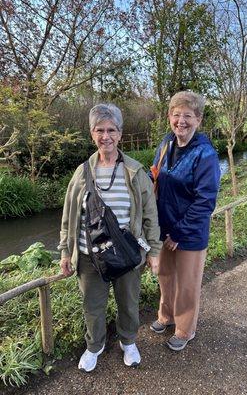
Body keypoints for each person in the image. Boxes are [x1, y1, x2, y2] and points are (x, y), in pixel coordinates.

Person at [58, 103, 161, 372]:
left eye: (111, 130)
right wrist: (65, 251)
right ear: (92, 134)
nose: (106, 136)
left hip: (127, 254)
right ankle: (95, 346)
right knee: (92, 306)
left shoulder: (135, 172)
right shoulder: (82, 173)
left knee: (129, 303)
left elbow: (151, 215)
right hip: (89, 257)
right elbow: (69, 216)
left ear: (120, 133)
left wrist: (154, 252)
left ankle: (128, 342)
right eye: (100, 130)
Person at [150, 91, 220, 351]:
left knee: (187, 283)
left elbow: (205, 201)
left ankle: (184, 328)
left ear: (198, 119)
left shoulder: (206, 155)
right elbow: (155, 173)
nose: (181, 121)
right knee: (165, 275)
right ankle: (166, 316)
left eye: (188, 116)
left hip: (188, 233)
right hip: (164, 226)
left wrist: (178, 233)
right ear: (169, 117)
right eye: (176, 114)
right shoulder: (166, 143)